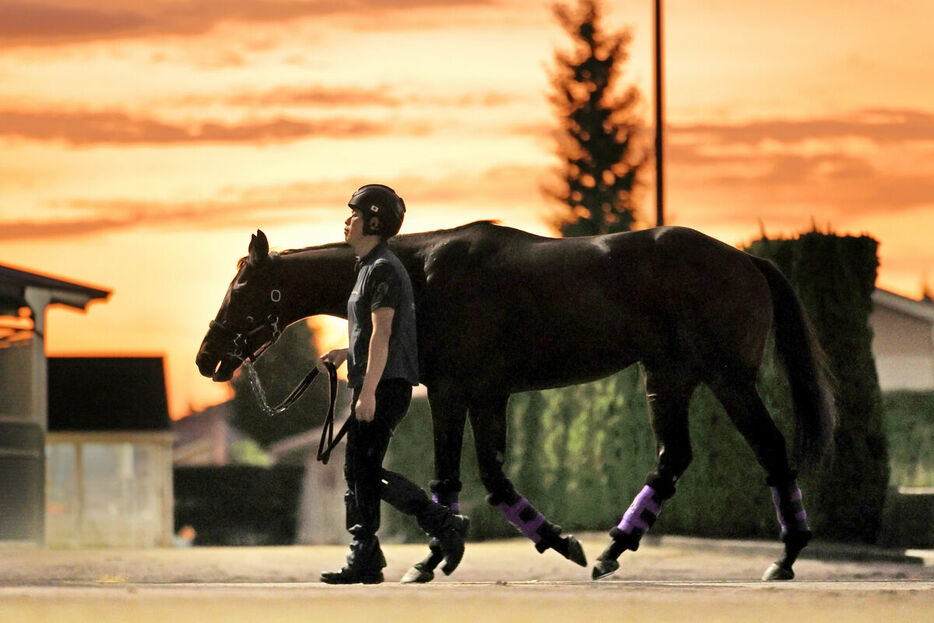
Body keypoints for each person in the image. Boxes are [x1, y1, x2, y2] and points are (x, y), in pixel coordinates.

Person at [319, 184, 469, 584]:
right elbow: (372, 335)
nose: (346, 221)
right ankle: (367, 551)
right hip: (374, 380)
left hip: (384, 386)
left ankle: (438, 523)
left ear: (371, 221)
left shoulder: (383, 268)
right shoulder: (368, 266)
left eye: (352, 215)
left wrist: (367, 392)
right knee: (359, 469)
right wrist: (346, 354)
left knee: (362, 469)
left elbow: (383, 334)